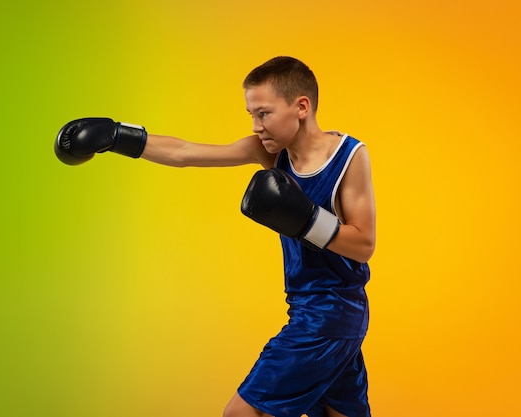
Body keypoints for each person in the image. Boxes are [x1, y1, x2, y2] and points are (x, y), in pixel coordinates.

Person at [55, 56, 376, 417]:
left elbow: (364, 245)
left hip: (329, 313)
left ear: (301, 106)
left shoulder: (349, 156)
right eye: (250, 114)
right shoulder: (271, 153)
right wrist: (117, 137)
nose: (256, 126)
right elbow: (185, 153)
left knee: (239, 413)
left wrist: (306, 220)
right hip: (311, 308)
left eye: (264, 113)